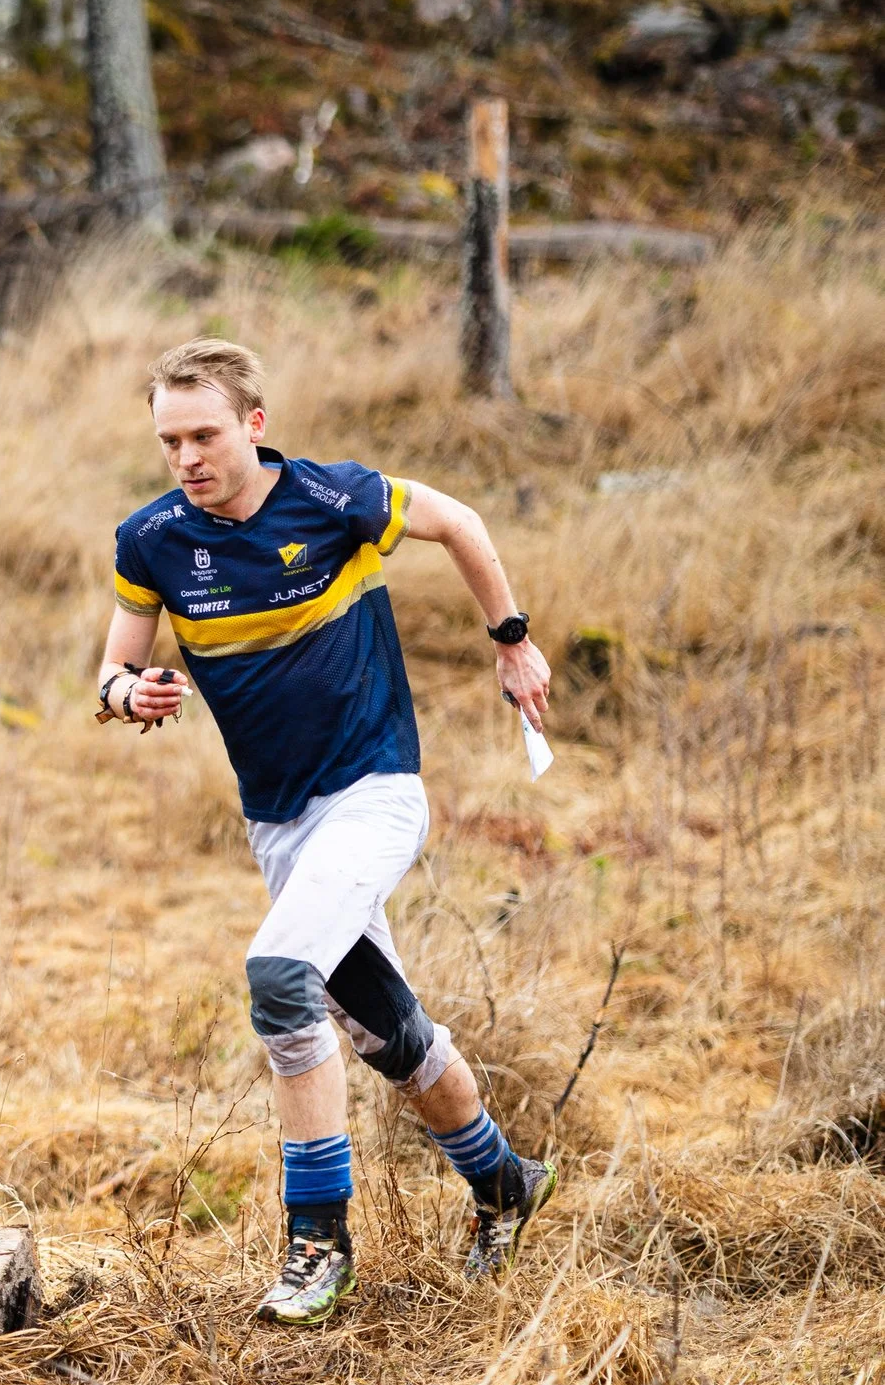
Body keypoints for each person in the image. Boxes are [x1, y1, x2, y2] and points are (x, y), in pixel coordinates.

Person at [97, 337, 556, 1327]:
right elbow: (110, 672)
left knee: (277, 975)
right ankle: (503, 1178)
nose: (186, 456)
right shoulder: (152, 540)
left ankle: (315, 1239)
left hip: (375, 792)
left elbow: (458, 521)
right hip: (279, 823)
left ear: (252, 425)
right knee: (385, 1031)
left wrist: (511, 642)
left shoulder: (333, 497)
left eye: (204, 433)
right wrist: (132, 691)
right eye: (169, 439)